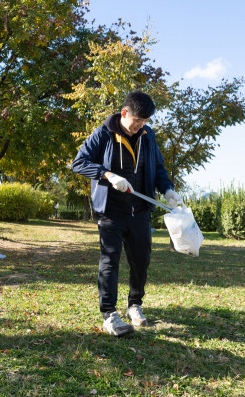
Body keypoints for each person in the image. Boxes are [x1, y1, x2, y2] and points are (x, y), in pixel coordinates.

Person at [72, 90, 181, 337]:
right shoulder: (103, 134)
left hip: (140, 210)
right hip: (111, 210)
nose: (140, 126)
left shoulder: (148, 135)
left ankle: (135, 305)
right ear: (124, 113)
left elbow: (159, 167)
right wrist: (108, 175)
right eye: (137, 121)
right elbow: (79, 162)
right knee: (110, 260)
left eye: (145, 122)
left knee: (141, 260)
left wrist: (168, 190)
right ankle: (109, 314)